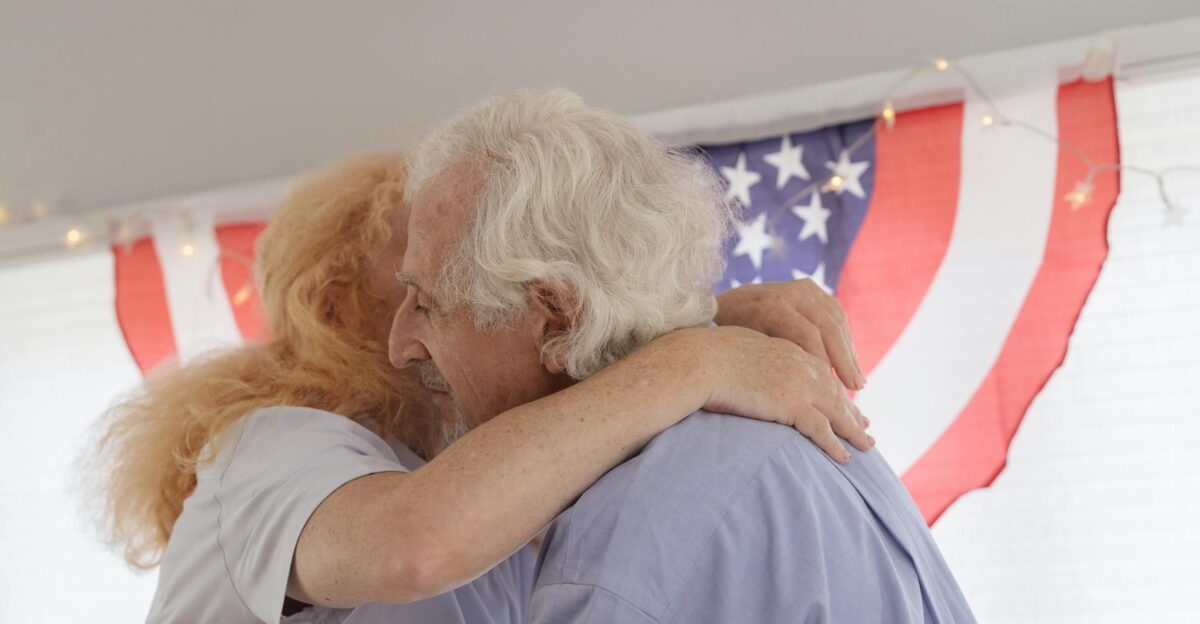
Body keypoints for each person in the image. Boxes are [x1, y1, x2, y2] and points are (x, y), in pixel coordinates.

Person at [86, 152, 874, 623]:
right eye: (420, 286)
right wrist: (694, 359)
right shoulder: (275, 443)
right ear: (335, 310)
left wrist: (700, 317)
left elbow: (546, 406)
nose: (459, 308)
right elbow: (414, 545)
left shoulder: (466, 458)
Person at [390, 89, 976, 623]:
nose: (398, 347)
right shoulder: (791, 425)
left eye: (427, 303)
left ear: (557, 322)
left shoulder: (622, 559)